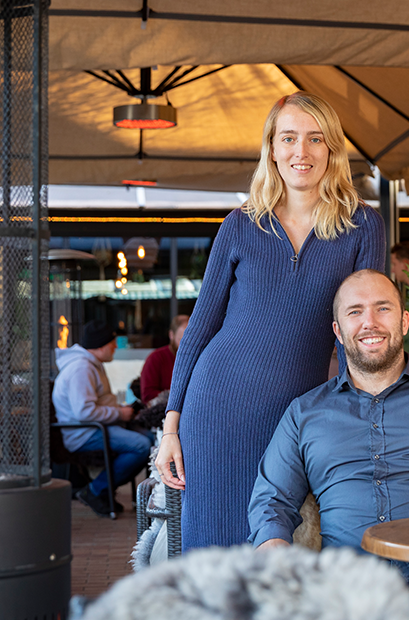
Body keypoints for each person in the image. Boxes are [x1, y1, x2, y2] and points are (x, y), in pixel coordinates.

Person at [155, 92, 387, 549]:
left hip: (297, 419)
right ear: (273, 149)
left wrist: (361, 416)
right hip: (217, 410)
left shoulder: (363, 226)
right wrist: (170, 427)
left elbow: (359, 336)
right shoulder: (241, 225)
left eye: (314, 139)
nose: (301, 152)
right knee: (217, 555)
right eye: (289, 138)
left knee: (284, 551)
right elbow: (200, 327)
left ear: (332, 149)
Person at [248, 269, 409, 620]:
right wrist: (273, 548)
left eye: (382, 308)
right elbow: (272, 497)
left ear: (404, 321)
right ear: (338, 331)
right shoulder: (304, 412)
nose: (370, 322)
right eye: (355, 312)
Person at [53, 320, 152, 517]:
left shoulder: (92, 364)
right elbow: (84, 412)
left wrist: (119, 410)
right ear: (100, 346)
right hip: (85, 433)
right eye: (112, 343)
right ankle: (95, 490)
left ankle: (104, 490)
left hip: (97, 428)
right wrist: (119, 413)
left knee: (149, 439)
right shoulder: (82, 369)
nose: (116, 346)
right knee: (141, 446)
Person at [139, 314, 189, 403]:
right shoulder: (155, 358)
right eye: (181, 340)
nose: (187, 346)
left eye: (191, 340)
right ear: (171, 335)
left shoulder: (200, 358)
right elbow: (147, 395)